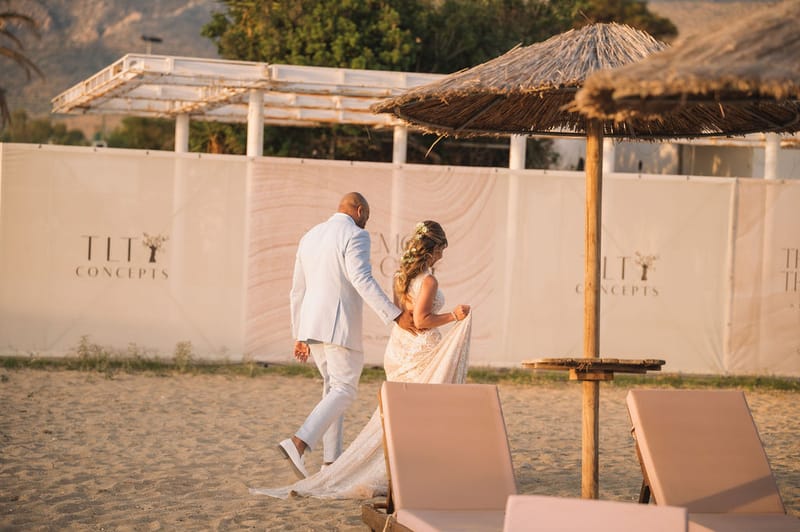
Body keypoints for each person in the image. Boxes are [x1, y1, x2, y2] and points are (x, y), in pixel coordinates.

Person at [252, 219, 471, 499]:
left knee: (393, 413)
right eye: (441, 250)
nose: (442, 256)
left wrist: (300, 333)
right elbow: (420, 319)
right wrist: (455, 315)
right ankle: (306, 444)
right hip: (418, 351)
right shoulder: (428, 280)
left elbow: (400, 314)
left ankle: (335, 460)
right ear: (432, 249)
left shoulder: (400, 277)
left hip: (399, 349)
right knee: (417, 410)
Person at [276, 192, 415, 480]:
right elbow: (361, 278)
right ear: (359, 210)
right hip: (338, 326)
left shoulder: (310, 236)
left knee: (332, 391)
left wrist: (299, 334)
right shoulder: (356, 235)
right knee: (344, 390)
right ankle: (298, 443)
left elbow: (296, 290)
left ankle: (331, 463)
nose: (366, 222)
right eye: (367, 216)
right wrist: (394, 314)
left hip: (312, 327)